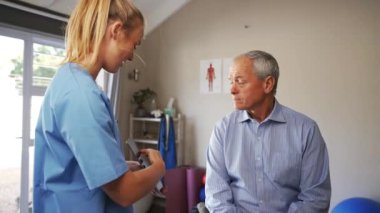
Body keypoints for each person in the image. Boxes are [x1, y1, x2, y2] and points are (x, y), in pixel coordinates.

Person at [33, 0, 165, 212]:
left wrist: (119, 169)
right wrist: (159, 168)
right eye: (135, 44)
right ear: (116, 30)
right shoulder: (82, 97)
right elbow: (125, 192)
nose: (132, 55)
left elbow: (73, 167)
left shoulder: (68, 82)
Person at [205, 50, 331, 212]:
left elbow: (316, 198)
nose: (232, 90)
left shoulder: (306, 130)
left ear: (268, 84)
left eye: (240, 81)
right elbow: (216, 195)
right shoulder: (223, 130)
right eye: (231, 82)